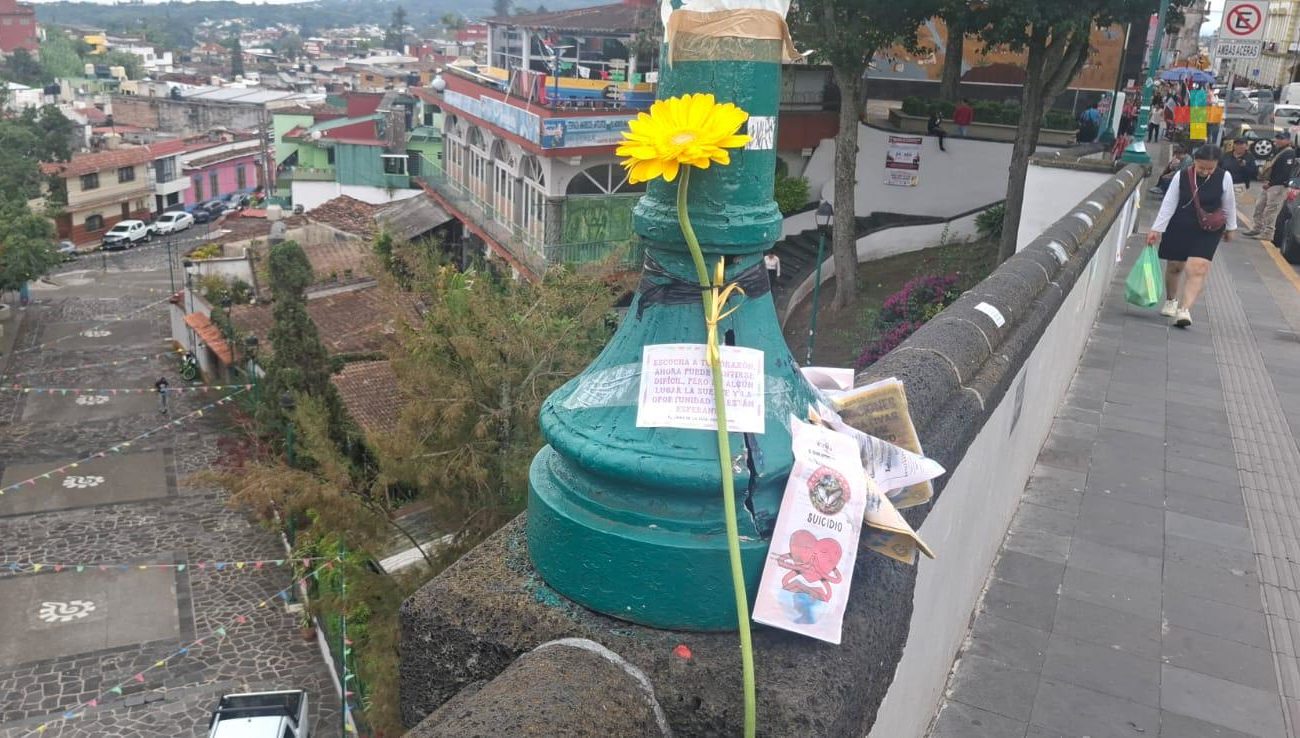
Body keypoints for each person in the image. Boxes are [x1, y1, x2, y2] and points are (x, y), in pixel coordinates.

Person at [1147, 144, 1237, 328]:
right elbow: (1169, 203)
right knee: (1175, 266)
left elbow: (1229, 204)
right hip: (1180, 224)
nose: (1205, 171)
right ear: (1195, 161)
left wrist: (1231, 227)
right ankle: (1171, 299)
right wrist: (1156, 229)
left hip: (1208, 228)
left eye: (1210, 168)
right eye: (1202, 167)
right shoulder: (1182, 176)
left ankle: (1184, 310)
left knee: (1198, 267)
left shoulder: (1224, 177)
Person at [1243, 132, 1297, 241]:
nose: (1278, 141)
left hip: (1279, 186)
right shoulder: (1278, 150)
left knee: (1271, 210)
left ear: (1288, 140)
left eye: (1281, 139)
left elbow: (1285, 173)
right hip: (1270, 184)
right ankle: (1257, 227)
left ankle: (1268, 233)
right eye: (1277, 138)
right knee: (1259, 207)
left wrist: (1271, 183)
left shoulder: (1289, 153)